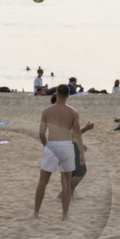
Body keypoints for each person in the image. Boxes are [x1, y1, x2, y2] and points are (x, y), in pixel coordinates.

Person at [33, 85, 83, 220]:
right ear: (68, 95)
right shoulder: (73, 112)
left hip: (52, 145)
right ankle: (64, 215)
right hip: (66, 145)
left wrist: (46, 146)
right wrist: (82, 154)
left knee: (43, 181)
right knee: (66, 181)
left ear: (56, 94)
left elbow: (41, 133)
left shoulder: (47, 111)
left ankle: (36, 213)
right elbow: (77, 135)